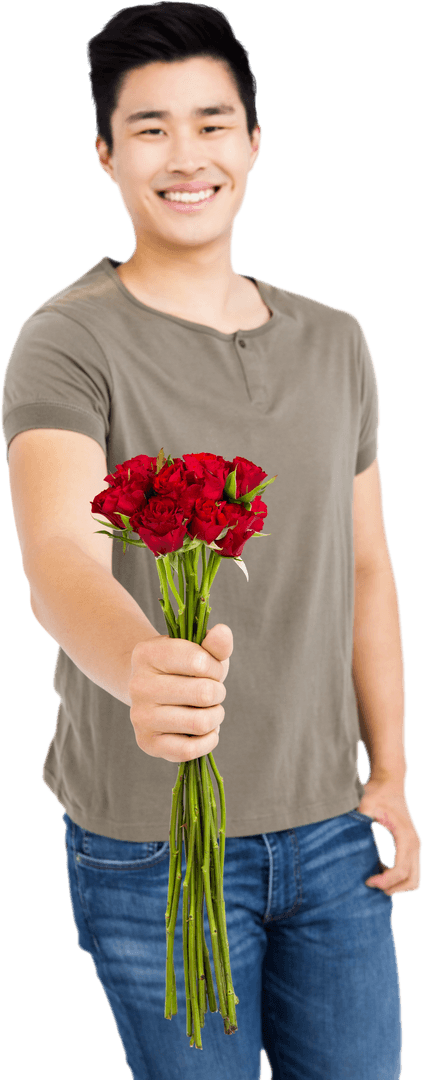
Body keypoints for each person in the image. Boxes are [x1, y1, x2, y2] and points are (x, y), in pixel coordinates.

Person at [2, 4, 421, 1078]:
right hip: (153, 845)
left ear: (255, 141)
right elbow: (57, 556)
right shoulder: (66, 337)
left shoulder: (337, 340)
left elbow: (365, 567)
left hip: (332, 829)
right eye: (149, 129)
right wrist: (139, 665)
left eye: (211, 123)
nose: (185, 156)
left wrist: (388, 771)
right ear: (105, 154)